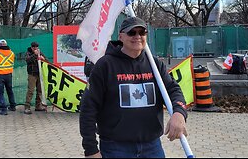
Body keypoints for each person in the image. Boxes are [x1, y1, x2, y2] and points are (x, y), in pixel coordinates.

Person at [79, 16, 188, 158]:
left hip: (152, 146)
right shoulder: (104, 66)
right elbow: (88, 107)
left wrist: (179, 113)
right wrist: (90, 149)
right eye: (132, 32)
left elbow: (174, 90)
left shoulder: (155, 65)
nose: (137, 36)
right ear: (121, 36)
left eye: (142, 32)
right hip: (115, 147)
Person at [24, 41, 47, 114]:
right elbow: (27, 60)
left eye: (36, 47)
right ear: (31, 47)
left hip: (39, 74)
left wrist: (44, 59)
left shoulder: (40, 52)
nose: (35, 48)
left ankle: (38, 106)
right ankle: (27, 107)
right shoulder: (28, 53)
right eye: (34, 47)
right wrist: (35, 54)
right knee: (30, 90)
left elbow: (46, 60)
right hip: (32, 74)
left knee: (39, 91)